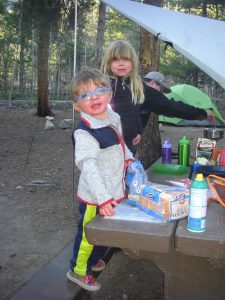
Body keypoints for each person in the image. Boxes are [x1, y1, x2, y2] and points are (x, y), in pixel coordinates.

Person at [67, 68, 134, 291]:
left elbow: (122, 144)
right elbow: (89, 168)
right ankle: (78, 271)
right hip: (95, 197)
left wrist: (130, 160)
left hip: (113, 191)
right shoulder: (85, 132)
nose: (93, 97)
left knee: (104, 231)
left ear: (109, 95)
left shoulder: (113, 118)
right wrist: (103, 199)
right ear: (77, 106)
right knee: (88, 234)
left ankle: (94, 257)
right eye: (84, 95)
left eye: (99, 90)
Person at [100, 40, 215, 154]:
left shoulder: (139, 88)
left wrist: (201, 113)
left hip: (128, 146)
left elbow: (169, 106)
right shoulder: (101, 86)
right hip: (103, 144)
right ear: (108, 62)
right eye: (115, 59)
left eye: (125, 59)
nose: (121, 63)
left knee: (124, 172)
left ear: (133, 62)